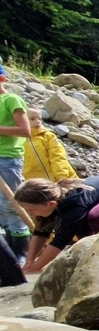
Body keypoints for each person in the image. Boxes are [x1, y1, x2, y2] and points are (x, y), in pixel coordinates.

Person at [15, 176, 99, 273]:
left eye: (31, 210)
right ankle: (94, 257)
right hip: (92, 202)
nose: (30, 214)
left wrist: (35, 269)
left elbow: (60, 241)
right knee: (83, 235)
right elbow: (40, 232)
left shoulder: (74, 206)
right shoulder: (51, 202)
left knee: (95, 216)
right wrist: (29, 263)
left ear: (51, 204)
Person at [0, 60, 32, 265]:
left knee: (11, 204)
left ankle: (21, 252)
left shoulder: (11, 100)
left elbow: (25, 131)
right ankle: (7, 254)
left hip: (8, 158)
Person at [25, 107, 78, 182]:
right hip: (38, 185)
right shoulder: (19, 139)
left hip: (62, 180)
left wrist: (62, 177)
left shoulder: (48, 136)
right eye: (32, 119)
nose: (37, 121)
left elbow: (58, 157)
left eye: (40, 119)